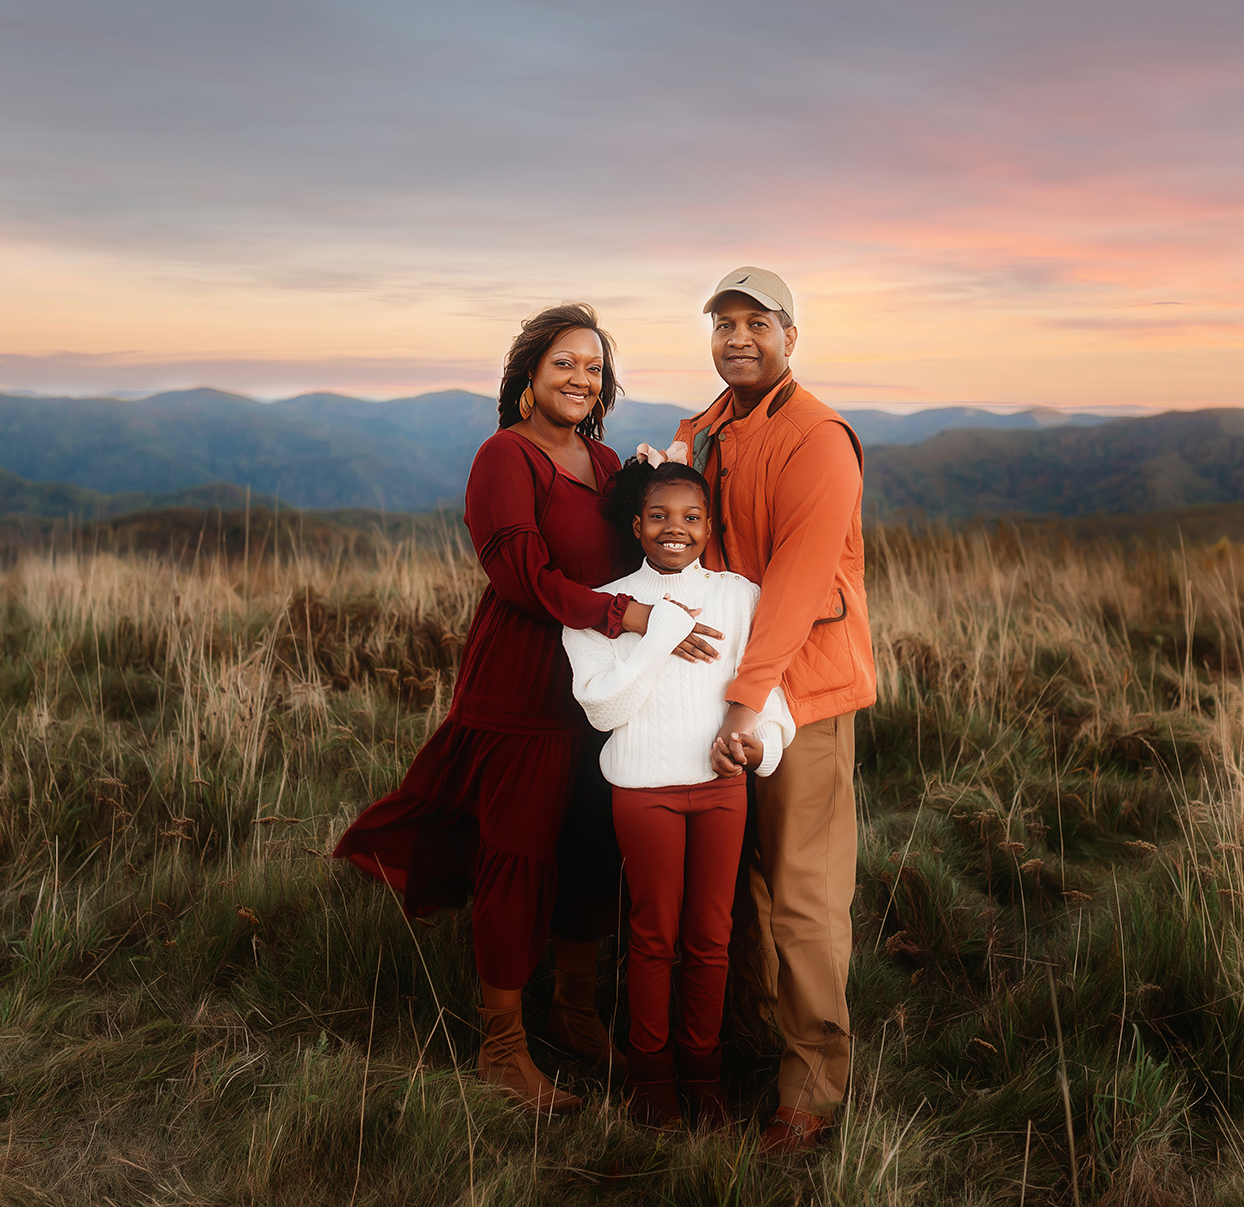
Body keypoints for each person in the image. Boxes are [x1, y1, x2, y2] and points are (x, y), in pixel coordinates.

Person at [333, 303, 717, 1116]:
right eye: (564, 365)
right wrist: (628, 618)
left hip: (603, 697)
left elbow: (652, 536)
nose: (581, 379)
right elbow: (521, 578)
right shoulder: (504, 456)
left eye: (593, 367)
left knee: (590, 851)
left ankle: (574, 1013)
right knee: (518, 858)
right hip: (525, 688)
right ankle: (502, 1048)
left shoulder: (606, 460)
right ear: (528, 377)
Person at [670, 267, 875, 1153]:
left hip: (801, 690)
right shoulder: (701, 429)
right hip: (720, 690)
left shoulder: (819, 437)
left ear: (790, 335)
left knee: (802, 890)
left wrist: (750, 699)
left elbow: (793, 585)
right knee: (736, 882)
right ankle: (756, 1036)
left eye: (756, 322)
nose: (738, 338)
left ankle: (814, 1086)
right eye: (724, 323)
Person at [561, 459, 795, 1130]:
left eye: (691, 517)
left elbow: (770, 693)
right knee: (654, 935)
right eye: (659, 516)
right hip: (644, 793)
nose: (675, 529)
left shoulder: (739, 596)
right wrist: (657, 630)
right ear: (636, 525)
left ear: (710, 526)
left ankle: (704, 1072)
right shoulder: (599, 606)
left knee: (712, 937)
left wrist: (765, 746)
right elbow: (605, 710)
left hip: (722, 790)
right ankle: (650, 1076)